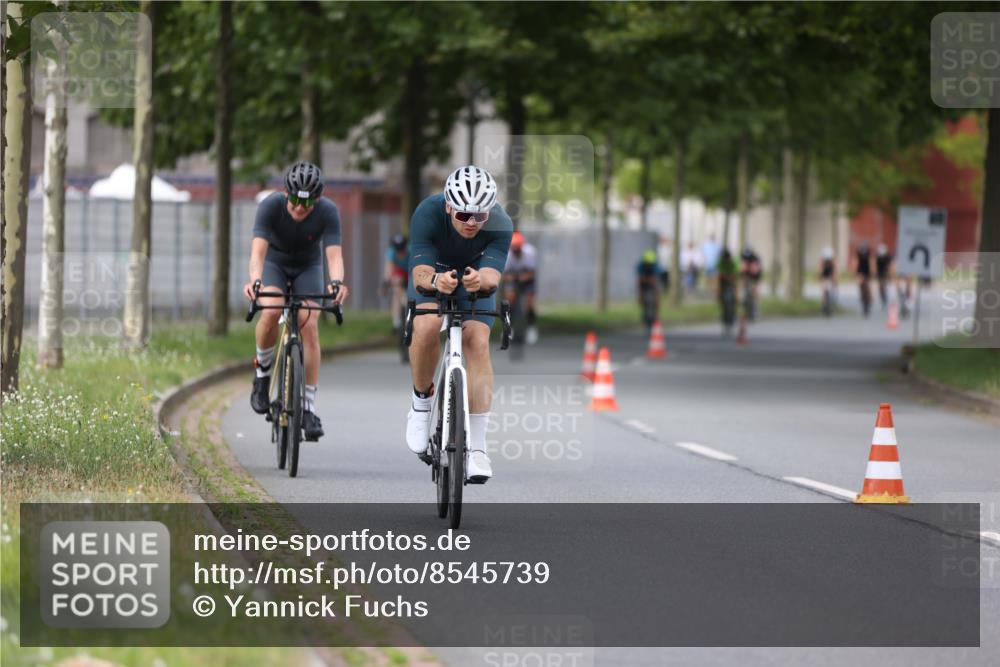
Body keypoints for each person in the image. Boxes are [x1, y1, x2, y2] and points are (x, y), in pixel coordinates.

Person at [405, 165, 512, 482]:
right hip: (434, 275)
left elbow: (493, 276)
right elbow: (420, 274)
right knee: (425, 327)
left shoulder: (501, 223)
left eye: (480, 216)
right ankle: (421, 403)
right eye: (464, 215)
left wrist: (482, 279)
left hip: (475, 281)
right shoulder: (428, 213)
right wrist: (437, 280)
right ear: (449, 205)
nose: (472, 223)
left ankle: (477, 448)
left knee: (477, 342)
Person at [244, 161, 349, 441]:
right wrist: (255, 281)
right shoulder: (270, 206)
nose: (300, 208)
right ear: (285, 192)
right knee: (271, 309)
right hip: (275, 264)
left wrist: (336, 283)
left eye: (308, 203)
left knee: (309, 324)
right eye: (294, 200)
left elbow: (334, 256)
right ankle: (263, 374)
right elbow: (257, 255)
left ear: (318, 199)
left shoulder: (328, 211)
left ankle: (308, 408)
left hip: (307, 267)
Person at [503, 231, 540, 344]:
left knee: (530, 302)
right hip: (513, 278)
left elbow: (532, 273)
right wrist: (514, 279)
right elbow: (506, 275)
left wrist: (523, 278)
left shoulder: (530, 252)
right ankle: (509, 328)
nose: (516, 250)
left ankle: (531, 327)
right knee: (509, 299)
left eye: (518, 248)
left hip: (527, 278)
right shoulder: (507, 255)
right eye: (514, 248)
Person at [382, 233, 409, 333]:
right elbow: (389, 270)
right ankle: (396, 321)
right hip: (400, 274)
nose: (400, 252)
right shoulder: (391, 253)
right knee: (396, 289)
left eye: (402, 249)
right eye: (398, 250)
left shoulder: (411, 251)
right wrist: (386, 283)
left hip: (411, 273)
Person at [636, 249, 664, 329]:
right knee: (644, 301)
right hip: (644, 284)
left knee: (655, 300)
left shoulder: (655, 266)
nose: (649, 265)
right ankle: (645, 318)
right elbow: (639, 280)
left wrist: (657, 295)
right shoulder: (641, 266)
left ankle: (655, 317)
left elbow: (656, 279)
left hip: (653, 285)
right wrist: (640, 294)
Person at [717, 249, 739, 335]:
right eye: (725, 259)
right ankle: (725, 322)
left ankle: (731, 321)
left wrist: (736, 293)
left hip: (732, 283)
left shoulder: (734, 262)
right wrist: (718, 291)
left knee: (732, 302)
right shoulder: (721, 263)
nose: (726, 261)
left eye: (727, 259)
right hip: (723, 283)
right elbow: (719, 277)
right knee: (724, 304)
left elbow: (735, 277)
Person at [739, 247, 763, 321]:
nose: (747, 259)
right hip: (746, 275)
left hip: (755, 276)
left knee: (755, 292)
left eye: (748, 257)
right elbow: (741, 271)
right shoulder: (743, 258)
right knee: (743, 290)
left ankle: (756, 310)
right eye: (745, 257)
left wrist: (756, 285)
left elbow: (757, 272)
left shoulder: (755, 259)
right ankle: (743, 308)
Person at [853, 242, 873, 317]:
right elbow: (855, 263)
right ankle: (862, 296)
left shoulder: (869, 254)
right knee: (860, 283)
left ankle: (869, 299)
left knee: (868, 286)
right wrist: (855, 273)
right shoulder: (858, 254)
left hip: (867, 271)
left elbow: (872, 263)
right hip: (860, 271)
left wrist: (872, 272)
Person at [820, 246, 838, 316]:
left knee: (833, 287)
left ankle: (832, 302)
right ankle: (823, 303)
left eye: (829, 259)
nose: (828, 260)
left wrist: (835, 278)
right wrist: (820, 276)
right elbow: (820, 269)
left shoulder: (833, 261)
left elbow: (836, 270)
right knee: (823, 288)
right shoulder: (822, 260)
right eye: (826, 259)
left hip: (831, 274)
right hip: (825, 274)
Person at [875, 243, 893, 310]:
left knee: (883, 285)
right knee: (880, 287)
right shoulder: (877, 257)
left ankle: (885, 297)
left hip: (885, 272)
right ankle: (882, 297)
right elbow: (875, 265)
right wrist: (875, 273)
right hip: (879, 272)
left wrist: (889, 275)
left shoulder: (887, 257)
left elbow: (890, 266)